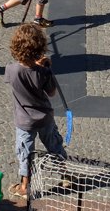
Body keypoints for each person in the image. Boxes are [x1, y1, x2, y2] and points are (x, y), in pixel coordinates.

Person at [4, 23, 66, 200]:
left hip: (24, 121)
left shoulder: (10, 70)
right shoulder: (43, 72)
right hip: (45, 117)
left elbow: (23, 72)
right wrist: (45, 68)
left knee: (25, 153)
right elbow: (51, 92)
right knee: (54, 145)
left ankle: (25, 186)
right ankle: (66, 175)